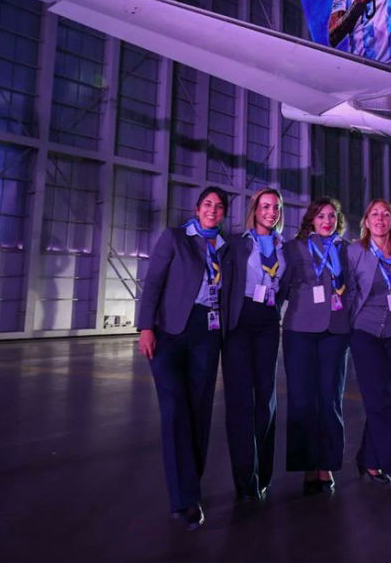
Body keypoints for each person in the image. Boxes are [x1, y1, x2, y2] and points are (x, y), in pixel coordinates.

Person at [136, 187, 233, 530]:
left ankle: (190, 486)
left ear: (223, 214)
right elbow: (153, 283)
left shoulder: (225, 248)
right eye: (208, 204)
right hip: (169, 333)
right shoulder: (175, 238)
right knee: (175, 409)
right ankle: (184, 499)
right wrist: (145, 327)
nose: (212, 210)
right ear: (197, 208)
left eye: (219, 207)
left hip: (207, 334)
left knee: (199, 412)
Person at [281, 197, 355, 495]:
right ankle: (307, 465)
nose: (327, 221)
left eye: (332, 216)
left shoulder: (348, 251)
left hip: (336, 332)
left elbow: (355, 288)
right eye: (321, 216)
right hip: (299, 330)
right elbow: (281, 286)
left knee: (330, 400)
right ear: (311, 219)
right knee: (302, 401)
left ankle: (326, 465)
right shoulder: (293, 248)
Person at [346, 198, 391, 493]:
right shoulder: (354, 251)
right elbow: (347, 289)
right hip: (365, 332)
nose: (379, 218)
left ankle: (368, 458)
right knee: (379, 399)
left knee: (385, 399)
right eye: (374, 214)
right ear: (365, 221)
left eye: (386, 214)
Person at [222, 188, 285, 501]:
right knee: (240, 402)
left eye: (275, 207)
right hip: (240, 322)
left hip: (268, 322)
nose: (270, 212)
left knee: (266, 398)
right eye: (265, 206)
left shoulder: (283, 246)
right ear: (255, 210)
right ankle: (244, 476)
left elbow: (284, 285)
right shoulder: (237, 242)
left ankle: (264, 473)